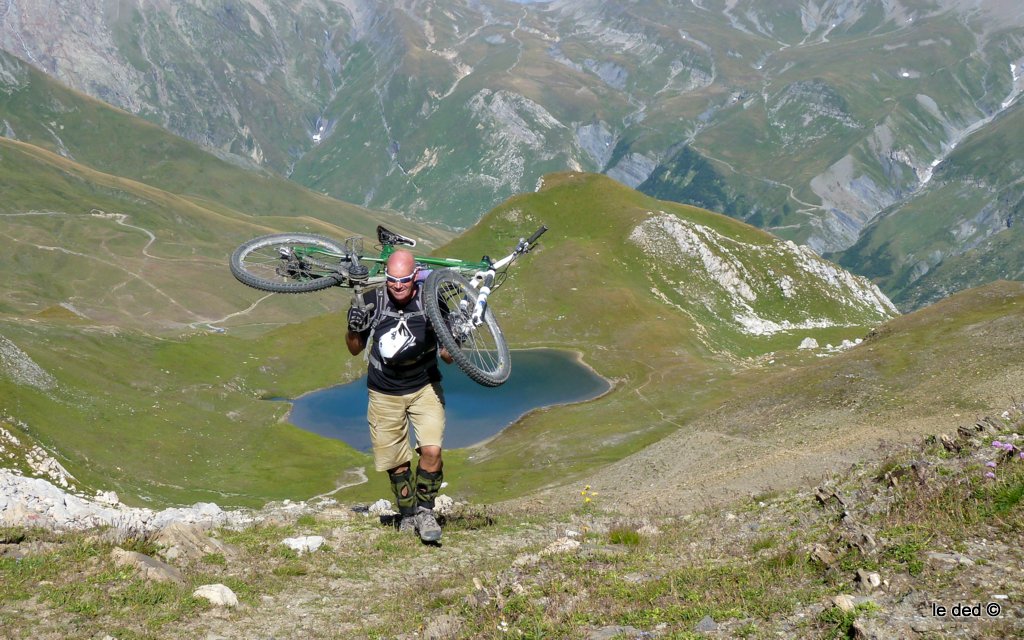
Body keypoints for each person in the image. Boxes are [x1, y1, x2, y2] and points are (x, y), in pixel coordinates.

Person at [346, 249, 453, 542]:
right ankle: (407, 514)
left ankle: (426, 511)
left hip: (424, 386)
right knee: (398, 462)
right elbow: (355, 348)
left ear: (415, 276)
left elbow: (449, 357)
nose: (397, 285)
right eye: (392, 279)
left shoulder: (432, 302)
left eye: (404, 280)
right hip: (384, 390)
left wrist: (454, 336)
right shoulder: (371, 301)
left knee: (432, 451)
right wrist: (354, 327)